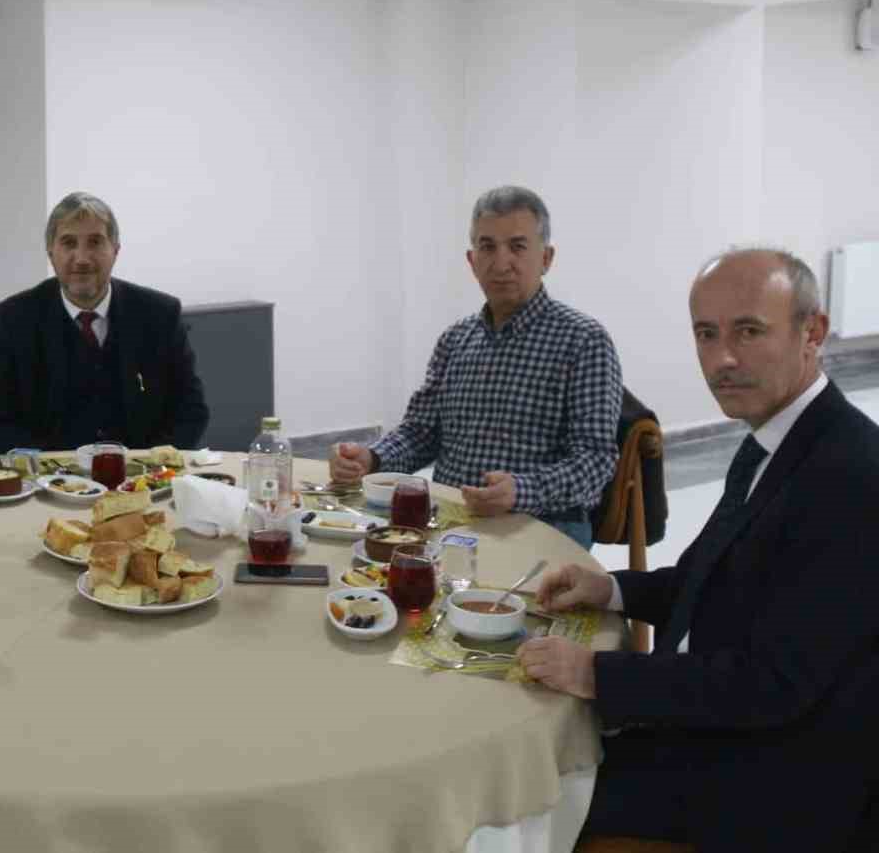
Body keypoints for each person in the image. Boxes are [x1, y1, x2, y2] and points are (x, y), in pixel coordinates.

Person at [519, 248, 879, 851]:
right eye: (706, 334)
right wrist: (611, 589)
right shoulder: (774, 440)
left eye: (749, 331)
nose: (722, 359)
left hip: (778, 777)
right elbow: (707, 579)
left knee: (524, 799)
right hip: (722, 725)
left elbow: (774, 684)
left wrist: (595, 672)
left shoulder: (852, 475)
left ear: (812, 332)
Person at [330, 186, 621, 546]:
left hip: (542, 525)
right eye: (488, 247)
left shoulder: (584, 341)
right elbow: (421, 432)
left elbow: (595, 461)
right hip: (449, 523)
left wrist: (520, 491)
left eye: (517, 246)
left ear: (546, 258)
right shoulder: (455, 340)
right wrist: (372, 458)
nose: (500, 263)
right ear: (471, 261)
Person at [0, 192, 209, 454]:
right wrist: (47, 468)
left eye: (95, 242)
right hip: (48, 474)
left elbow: (191, 411)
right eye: (69, 243)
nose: (82, 258)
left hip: (142, 472)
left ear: (115, 251)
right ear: (51, 253)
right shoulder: (15, 319)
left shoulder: (160, 315)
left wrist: (149, 464)